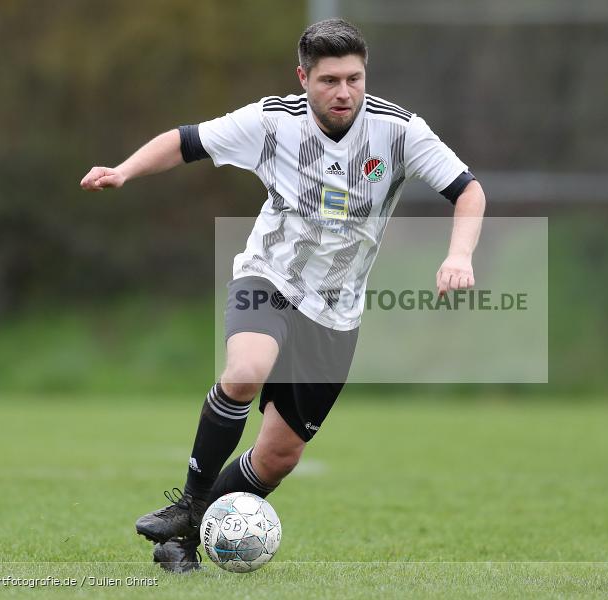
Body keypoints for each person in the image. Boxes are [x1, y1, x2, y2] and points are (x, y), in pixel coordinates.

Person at [80, 18, 485, 573]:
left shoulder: (400, 131)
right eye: (328, 81)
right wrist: (124, 172)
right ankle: (191, 503)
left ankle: (183, 539)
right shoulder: (272, 121)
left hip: (336, 313)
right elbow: (185, 140)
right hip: (268, 276)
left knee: (278, 457)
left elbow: (468, 190)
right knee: (246, 368)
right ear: (303, 78)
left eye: (354, 78)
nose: (344, 92)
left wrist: (458, 256)